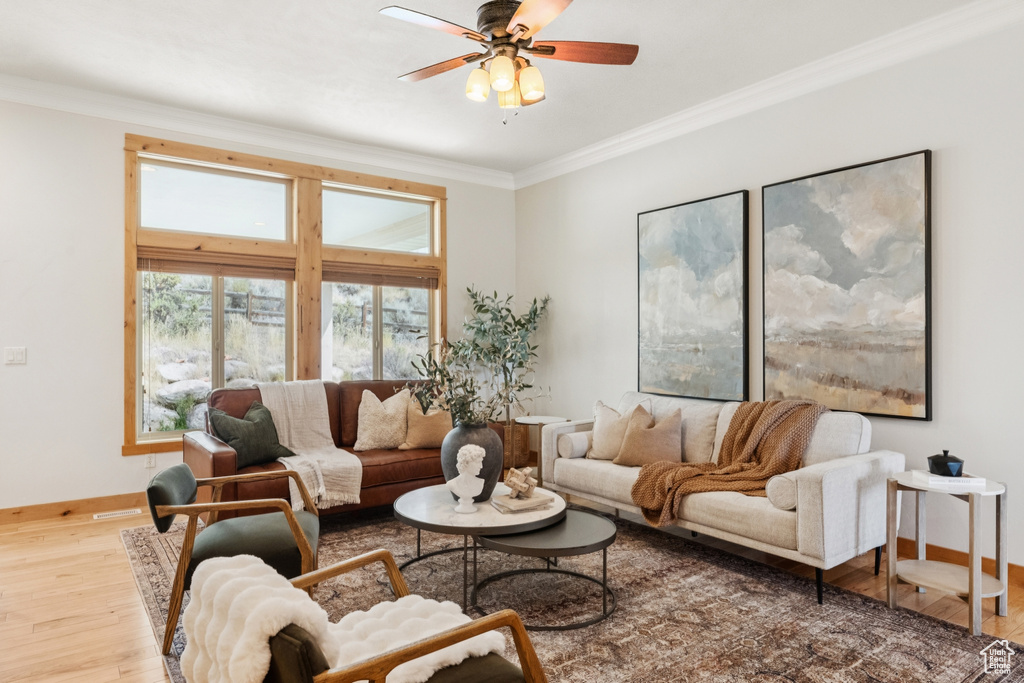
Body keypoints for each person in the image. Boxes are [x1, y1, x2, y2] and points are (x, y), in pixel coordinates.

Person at [447, 445, 485, 513]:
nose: (481, 466)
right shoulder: (452, 484)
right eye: (478, 462)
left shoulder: (480, 483)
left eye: (481, 462)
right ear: (466, 462)